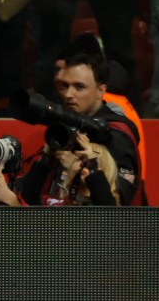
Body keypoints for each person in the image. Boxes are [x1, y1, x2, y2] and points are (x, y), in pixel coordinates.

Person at [21, 53, 141, 206]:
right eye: (65, 86)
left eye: (79, 87)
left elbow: (119, 204)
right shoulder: (65, 126)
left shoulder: (117, 134)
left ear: (100, 90)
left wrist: (87, 167)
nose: (68, 94)